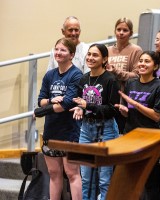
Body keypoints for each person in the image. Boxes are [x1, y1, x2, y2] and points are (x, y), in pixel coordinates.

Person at [115, 51, 160, 200]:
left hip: (150, 138)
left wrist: (134, 104)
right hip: (130, 135)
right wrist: (124, 110)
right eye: (141, 61)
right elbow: (128, 112)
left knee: (149, 180)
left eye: (147, 61)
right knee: (130, 178)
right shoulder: (132, 83)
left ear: (155, 66)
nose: (142, 64)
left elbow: (156, 115)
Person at [34, 38, 83, 200]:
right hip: (51, 131)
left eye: (63, 50)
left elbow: (67, 103)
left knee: (72, 173)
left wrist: (41, 111)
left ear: (72, 54)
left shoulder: (76, 75)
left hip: (69, 132)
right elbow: (40, 100)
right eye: (56, 49)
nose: (58, 53)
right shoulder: (50, 75)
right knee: (54, 173)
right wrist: (49, 101)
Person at [71, 44, 120, 200]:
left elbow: (113, 109)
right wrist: (80, 109)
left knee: (105, 180)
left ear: (104, 59)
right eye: (89, 54)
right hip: (86, 129)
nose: (90, 58)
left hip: (106, 129)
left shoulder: (111, 79)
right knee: (86, 178)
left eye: (95, 55)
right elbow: (81, 102)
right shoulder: (84, 78)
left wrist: (87, 106)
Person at [106, 17, 143, 134]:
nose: (121, 33)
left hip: (125, 97)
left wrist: (116, 72)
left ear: (131, 33)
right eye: (119, 29)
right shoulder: (108, 50)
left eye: (125, 30)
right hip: (108, 96)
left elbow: (137, 75)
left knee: (122, 133)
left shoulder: (136, 50)